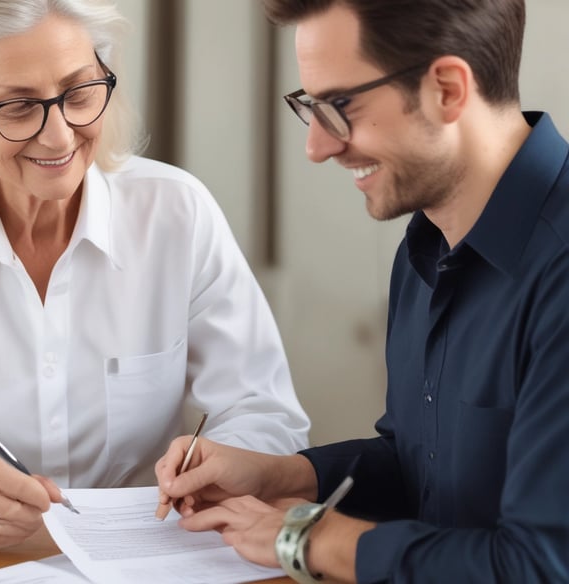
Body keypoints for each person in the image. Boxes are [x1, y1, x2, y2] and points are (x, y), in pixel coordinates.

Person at [0, 0, 311, 548]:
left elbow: (267, 414)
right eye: (20, 107)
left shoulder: (176, 214)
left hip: (143, 560)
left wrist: (217, 463)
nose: (61, 137)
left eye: (79, 93)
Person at [155, 0, 569, 582]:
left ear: (448, 89)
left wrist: (308, 537)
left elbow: (538, 568)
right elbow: (418, 464)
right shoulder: (424, 249)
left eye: (340, 106)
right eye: (311, 107)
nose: (318, 147)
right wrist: (279, 475)